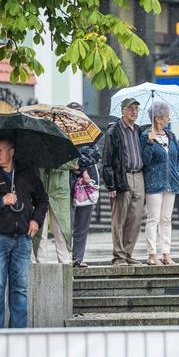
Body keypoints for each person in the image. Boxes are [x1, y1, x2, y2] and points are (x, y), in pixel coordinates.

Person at [0, 139, 49, 328]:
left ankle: (18, 336)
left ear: (11, 152)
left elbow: (43, 199)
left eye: (1, 150)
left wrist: (36, 220)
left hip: (23, 238)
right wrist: (0, 201)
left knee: (20, 290)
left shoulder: (27, 173)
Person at [102, 98, 146, 266]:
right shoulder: (114, 131)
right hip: (123, 175)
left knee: (135, 218)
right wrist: (111, 184)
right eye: (130, 109)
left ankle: (128, 253)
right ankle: (119, 256)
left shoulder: (138, 131)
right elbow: (107, 159)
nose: (134, 112)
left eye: (136, 109)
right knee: (119, 219)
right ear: (122, 111)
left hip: (139, 176)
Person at [140, 102, 179, 265]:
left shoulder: (171, 136)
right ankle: (152, 254)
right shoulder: (145, 136)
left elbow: (178, 157)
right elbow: (144, 161)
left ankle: (166, 253)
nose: (168, 119)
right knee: (153, 218)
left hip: (171, 182)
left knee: (166, 218)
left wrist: (178, 173)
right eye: (166, 116)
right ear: (158, 119)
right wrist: (150, 143)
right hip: (154, 182)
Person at [67, 102, 101, 268]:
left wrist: (80, 167)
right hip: (67, 181)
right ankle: (66, 256)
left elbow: (95, 153)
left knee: (83, 222)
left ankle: (77, 257)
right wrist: (83, 168)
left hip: (85, 184)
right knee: (68, 221)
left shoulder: (89, 134)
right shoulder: (63, 134)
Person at [34, 159, 78, 264]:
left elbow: (74, 163)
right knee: (40, 229)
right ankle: (40, 265)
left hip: (60, 189)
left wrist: (52, 163)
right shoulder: (37, 144)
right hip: (39, 185)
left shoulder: (67, 143)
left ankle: (65, 264)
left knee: (62, 229)